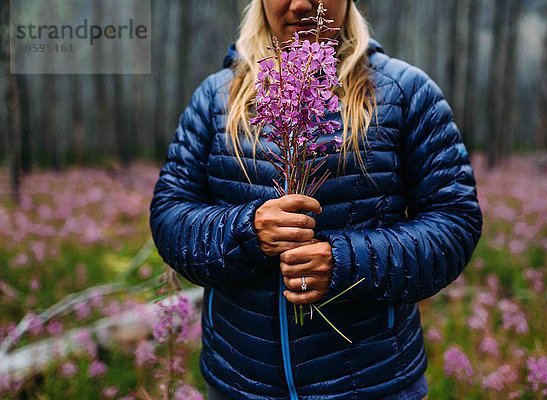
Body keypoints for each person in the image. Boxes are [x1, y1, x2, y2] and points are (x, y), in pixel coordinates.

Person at [149, 0, 483, 399]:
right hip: (241, 384)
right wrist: (247, 231)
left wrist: (345, 261)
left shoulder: (405, 93)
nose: (302, 3)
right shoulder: (215, 98)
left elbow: (455, 224)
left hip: (373, 386)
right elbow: (170, 216)